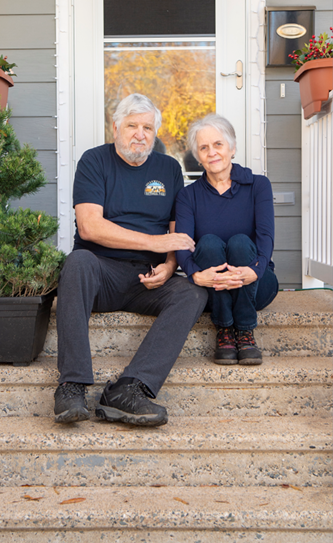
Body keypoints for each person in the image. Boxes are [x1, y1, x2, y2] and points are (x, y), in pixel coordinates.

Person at [54, 94, 208, 427]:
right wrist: (154, 241)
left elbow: (175, 231)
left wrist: (169, 266)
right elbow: (90, 226)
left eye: (148, 128)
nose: (140, 134)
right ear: (115, 127)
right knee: (77, 262)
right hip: (101, 273)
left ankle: (129, 388)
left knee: (193, 292)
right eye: (132, 125)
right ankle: (72, 384)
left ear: (156, 133)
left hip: (148, 279)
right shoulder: (94, 161)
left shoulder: (168, 168)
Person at [175, 114, 278, 366]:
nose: (212, 152)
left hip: (256, 283)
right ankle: (224, 330)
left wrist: (255, 270)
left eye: (218, 144)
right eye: (204, 147)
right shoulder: (188, 196)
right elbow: (183, 245)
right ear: (198, 157)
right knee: (208, 243)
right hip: (210, 289)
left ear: (232, 148)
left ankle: (244, 330)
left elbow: (265, 238)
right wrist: (194, 275)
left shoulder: (258, 186)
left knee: (241, 243)